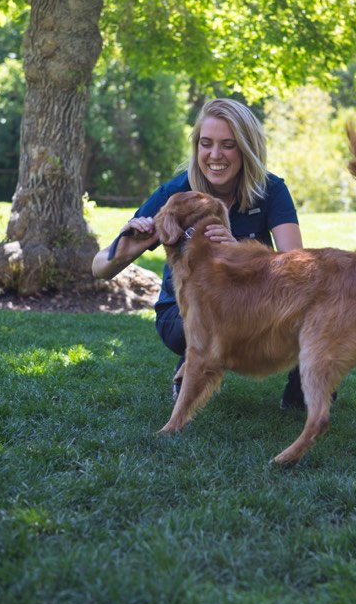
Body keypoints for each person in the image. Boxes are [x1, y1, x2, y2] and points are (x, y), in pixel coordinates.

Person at [92, 98, 306, 409]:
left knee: (311, 307)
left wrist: (240, 250)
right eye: (206, 144)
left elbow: (299, 269)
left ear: (247, 148)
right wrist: (128, 248)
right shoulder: (175, 194)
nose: (215, 155)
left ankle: (304, 388)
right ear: (196, 146)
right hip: (183, 317)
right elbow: (99, 267)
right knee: (198, 325)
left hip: (252, 307)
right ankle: (191, 365)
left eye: (228, 145)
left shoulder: (270, 190)